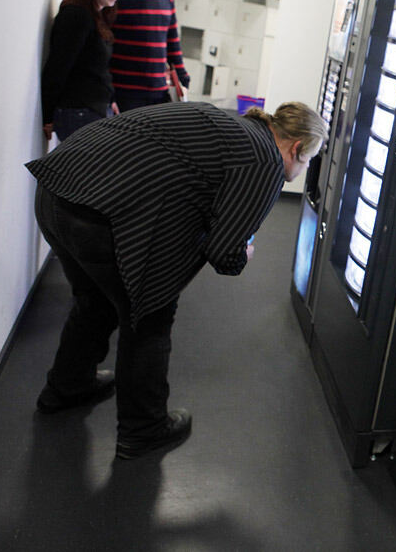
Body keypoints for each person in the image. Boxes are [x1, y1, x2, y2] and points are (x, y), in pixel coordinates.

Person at [26, 101, 328, 459]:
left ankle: (67, 388)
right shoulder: (265, 161)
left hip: (57, 190)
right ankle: (143, 430)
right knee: (149, 315)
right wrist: (242, 252)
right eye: (308, 160)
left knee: (96, 301)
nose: (302, 168)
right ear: (297, 148)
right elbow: (225, 254)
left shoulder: (236, 126)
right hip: (97, 215)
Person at [40, 0, 127, 141]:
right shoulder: (76, 16)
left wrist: (109, 100)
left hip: (93, 111)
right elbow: (57, 68)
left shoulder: (97, 16)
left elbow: (97, 70)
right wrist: (46, 115)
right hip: (78, 113)